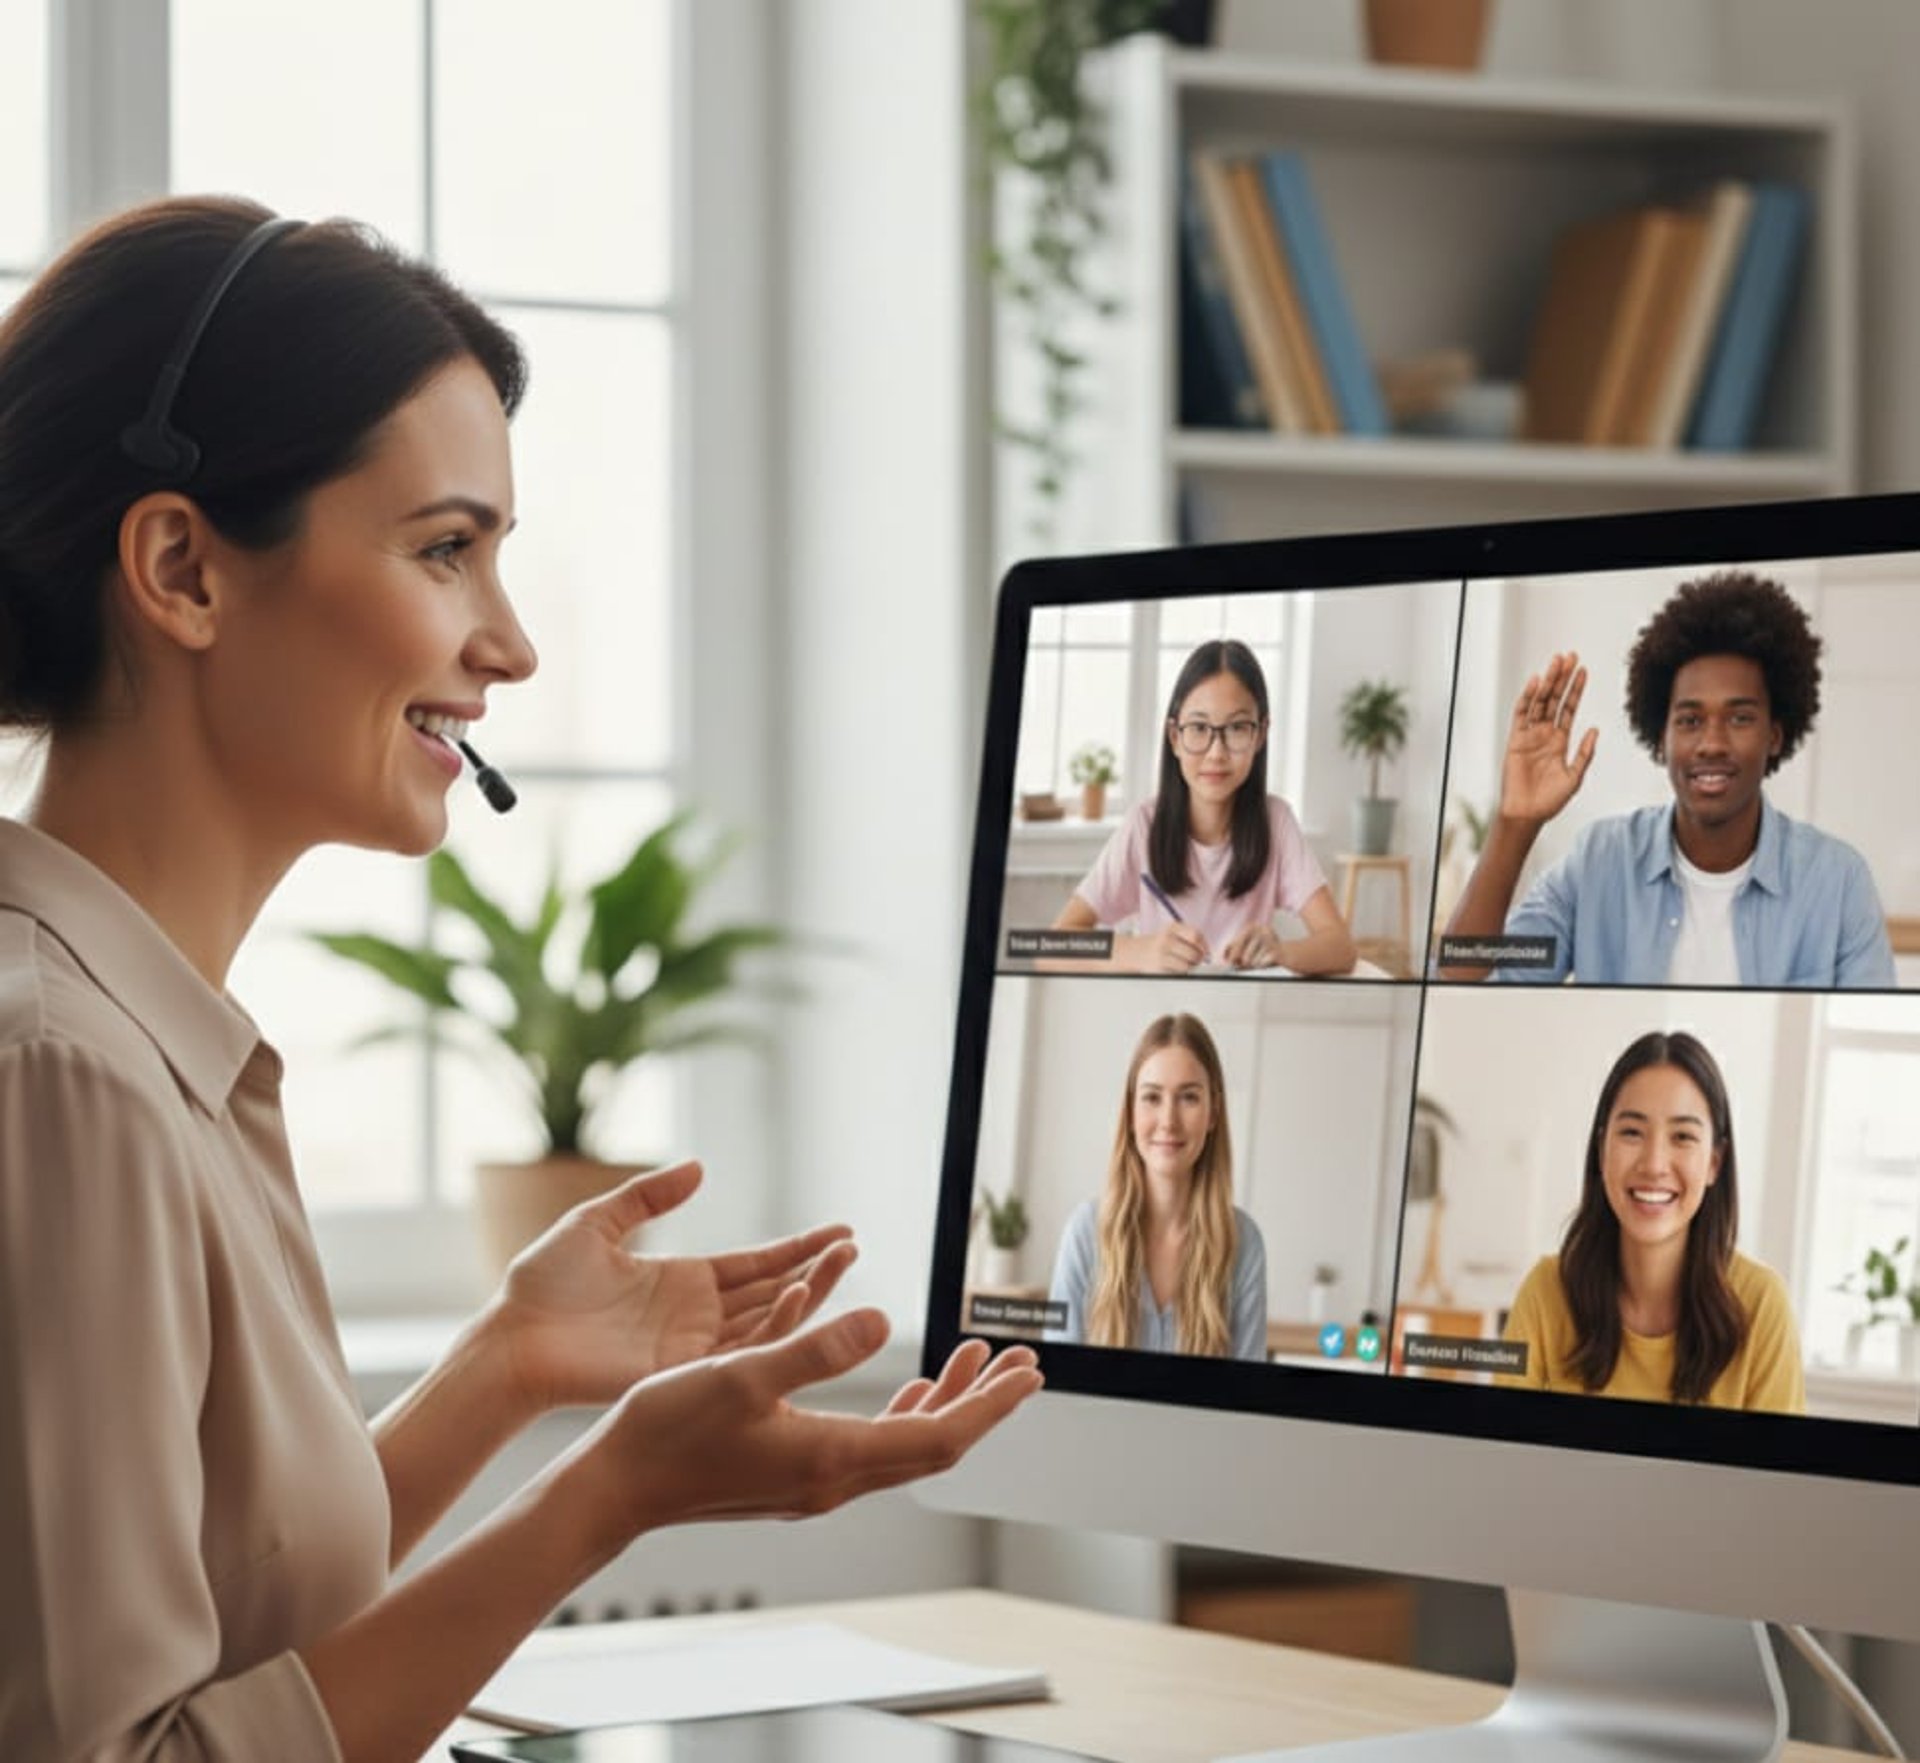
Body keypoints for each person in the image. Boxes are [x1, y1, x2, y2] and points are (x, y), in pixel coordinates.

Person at [0, 196, 1041, 1763]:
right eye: (445, 551)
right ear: (183, 569)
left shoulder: (152, 1049)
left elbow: (240, 1611)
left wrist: (502, 1367)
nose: (510, 646)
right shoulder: (66, 1075)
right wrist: (610, 1494)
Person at [1439, 570, 1895, 987]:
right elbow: (1463, 978)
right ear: (1661, 739)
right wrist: (1515, 824)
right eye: (1690, 720)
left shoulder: (1836, 882)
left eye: (1739, 718)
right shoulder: (1598, 865)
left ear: (1775, 736)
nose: (1712, 743)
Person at [1498, 1030, 1804, 1412]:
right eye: (1631, 1132)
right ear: (1601, 1150)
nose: (1654, 1164)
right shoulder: (1545, 1292)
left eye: (1682, 1137)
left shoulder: (1761, 1307)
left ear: (1714, 1162)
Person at [1051, 639, 1355, 975]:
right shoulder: (1143, 824)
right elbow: (1048, 947)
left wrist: (1282, 952)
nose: (1216, 753)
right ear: (1174, 737)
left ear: (1260, 735)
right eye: (1198, 728)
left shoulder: (1276, 822)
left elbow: (1341, 947)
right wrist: (1139, 951)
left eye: (1237, 728)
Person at [1045, 1013, 1268, 1361]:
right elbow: (1056, 1383)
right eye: (1152, 1097)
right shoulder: (1085, 1232)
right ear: (1131, 1112)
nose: (1168, 1121)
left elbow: (1248, 1401)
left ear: (1213, 1113)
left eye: (1189, 1098)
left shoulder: (1244, 1243)